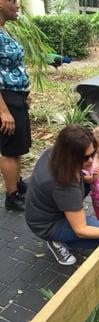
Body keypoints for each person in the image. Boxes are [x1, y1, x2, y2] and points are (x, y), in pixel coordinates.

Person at [25, 124, 99, 266]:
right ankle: (56, 240)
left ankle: (69, 220)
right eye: (85, 157)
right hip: (47, 224)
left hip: (40, 210)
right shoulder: (64, 185)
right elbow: (81, 230)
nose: (91, 160)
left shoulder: (53, 152)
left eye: (93, 153)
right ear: (70, 155)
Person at [0, 0, 31, 211]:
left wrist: (24, 91)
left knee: (17, 146)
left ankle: (17, 184)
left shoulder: (5, 31)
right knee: (9, 150)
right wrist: (3, 110)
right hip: (5, 100)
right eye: (13, 0)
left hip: (16, 97)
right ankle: (11, 197)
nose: (18, 5)